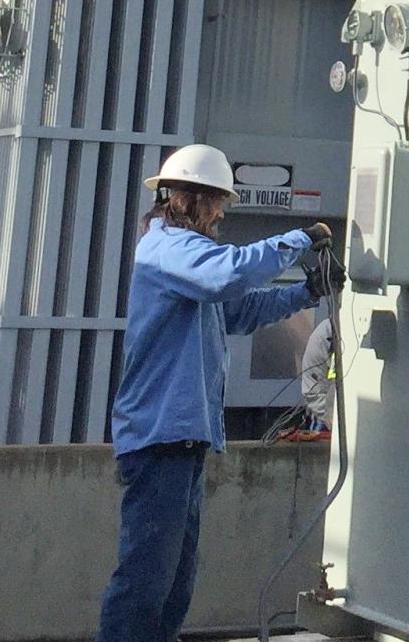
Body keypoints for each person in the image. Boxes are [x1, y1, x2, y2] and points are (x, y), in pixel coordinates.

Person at [96, 144, 336, 642]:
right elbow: (231, 272)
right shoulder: (166, 249)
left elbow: (238, 309)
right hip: (159, 439)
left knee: (173, 584)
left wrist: (307, 292)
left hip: (181, 442)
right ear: (190, 198)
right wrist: (299, 238)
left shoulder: (186, 266)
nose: (223, 213)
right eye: (219, 202)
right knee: (145, 581)